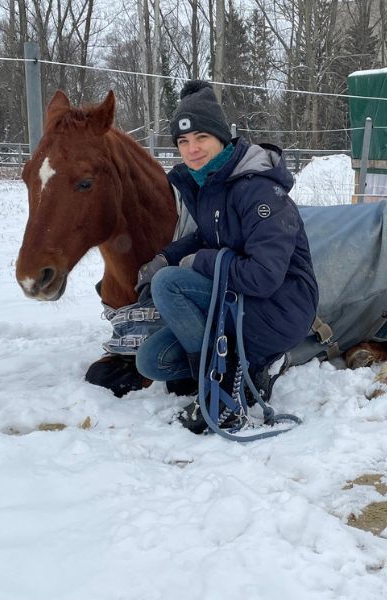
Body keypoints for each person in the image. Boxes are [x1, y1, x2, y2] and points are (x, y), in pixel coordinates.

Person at [135, 80, 319, 434]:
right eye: (183, 142)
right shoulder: (211, 185)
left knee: (170, 284)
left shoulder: (259, 189)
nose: (192, 149)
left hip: (280, 306)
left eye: (201, 137)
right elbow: (206, 237)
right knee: (151, 360)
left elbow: (265, 276)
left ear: (222, 137)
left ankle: (220, 390)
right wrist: (164, 256)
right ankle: (248, 368)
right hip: (238, 301)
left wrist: (193, 264)